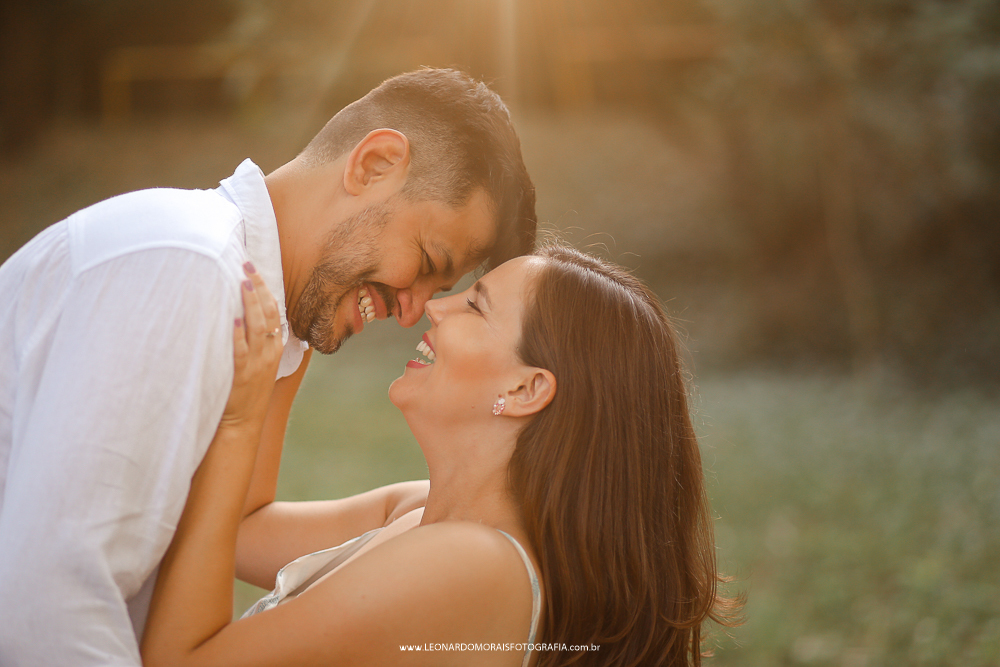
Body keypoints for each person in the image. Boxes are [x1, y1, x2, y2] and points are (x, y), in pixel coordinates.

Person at [0, 68, 536, 667]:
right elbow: (47, 608)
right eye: (429, 259)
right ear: (375, 164)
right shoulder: (192, 272)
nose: (414, 312)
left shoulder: (255, 314)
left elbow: (239, 525)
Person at [139, 244, 740, 667]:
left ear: (526, 389)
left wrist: (242, 419)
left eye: (475, 305)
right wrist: (304, 326)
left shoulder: (473, 561)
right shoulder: (420, 509)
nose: (437, 305)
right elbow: (240, 531)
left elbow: (180, 661)